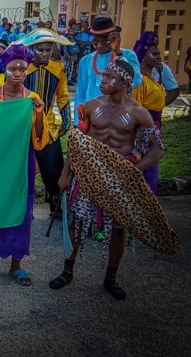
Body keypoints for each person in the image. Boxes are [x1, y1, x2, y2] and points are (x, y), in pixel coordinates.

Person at [51, 60, 167, 299]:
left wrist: (134, 169)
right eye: (102, 77)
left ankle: (111, 278)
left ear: (125, 82)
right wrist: (65, 174)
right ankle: (67, 271)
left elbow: (157, 150)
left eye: (108, 78)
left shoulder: (139, 113)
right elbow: (75, 144)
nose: (102, 81)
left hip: (119, 178)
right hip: (88, 174)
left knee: (117, 229)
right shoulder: (92, 106)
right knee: (78, 223)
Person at [0, 45, 48, 287]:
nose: (17, 73)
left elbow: (40, 139)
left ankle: (16, 266)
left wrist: (38, 114)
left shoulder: (32, 100)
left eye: (22, 69)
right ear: (4, 71)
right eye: (12, 69)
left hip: (22, 163)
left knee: (21, 211)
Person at [20, 29, 72, 215]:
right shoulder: (23, 68)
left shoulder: (58, 69)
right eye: (40, 50)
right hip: (23, 126)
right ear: (32, 49)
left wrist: (66, 121)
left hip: (48, 125)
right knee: (22, 169)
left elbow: (63, 96)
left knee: (53, 167)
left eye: (48, 50)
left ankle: (56, 208)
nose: (44, 53)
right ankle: (23, 209)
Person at [74, 17, 141, 125]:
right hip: (91, 119)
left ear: (114, 38)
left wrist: (118, 52)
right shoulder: (85, 61)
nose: (99, 46)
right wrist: (78, 122)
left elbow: (136, 81)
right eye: (95, 42)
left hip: (117, 119)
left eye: (105, 41)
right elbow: (80, 93)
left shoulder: (128, 56)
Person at [132, 34, 168, 194]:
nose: (159, 57)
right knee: (145, 165)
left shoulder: (154, 76)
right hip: (144, 129)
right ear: (143, 57)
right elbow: (136, 107)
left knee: (152, 165)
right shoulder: (140, 81)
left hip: (155, 125)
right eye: (154, 54)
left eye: (160, 54)